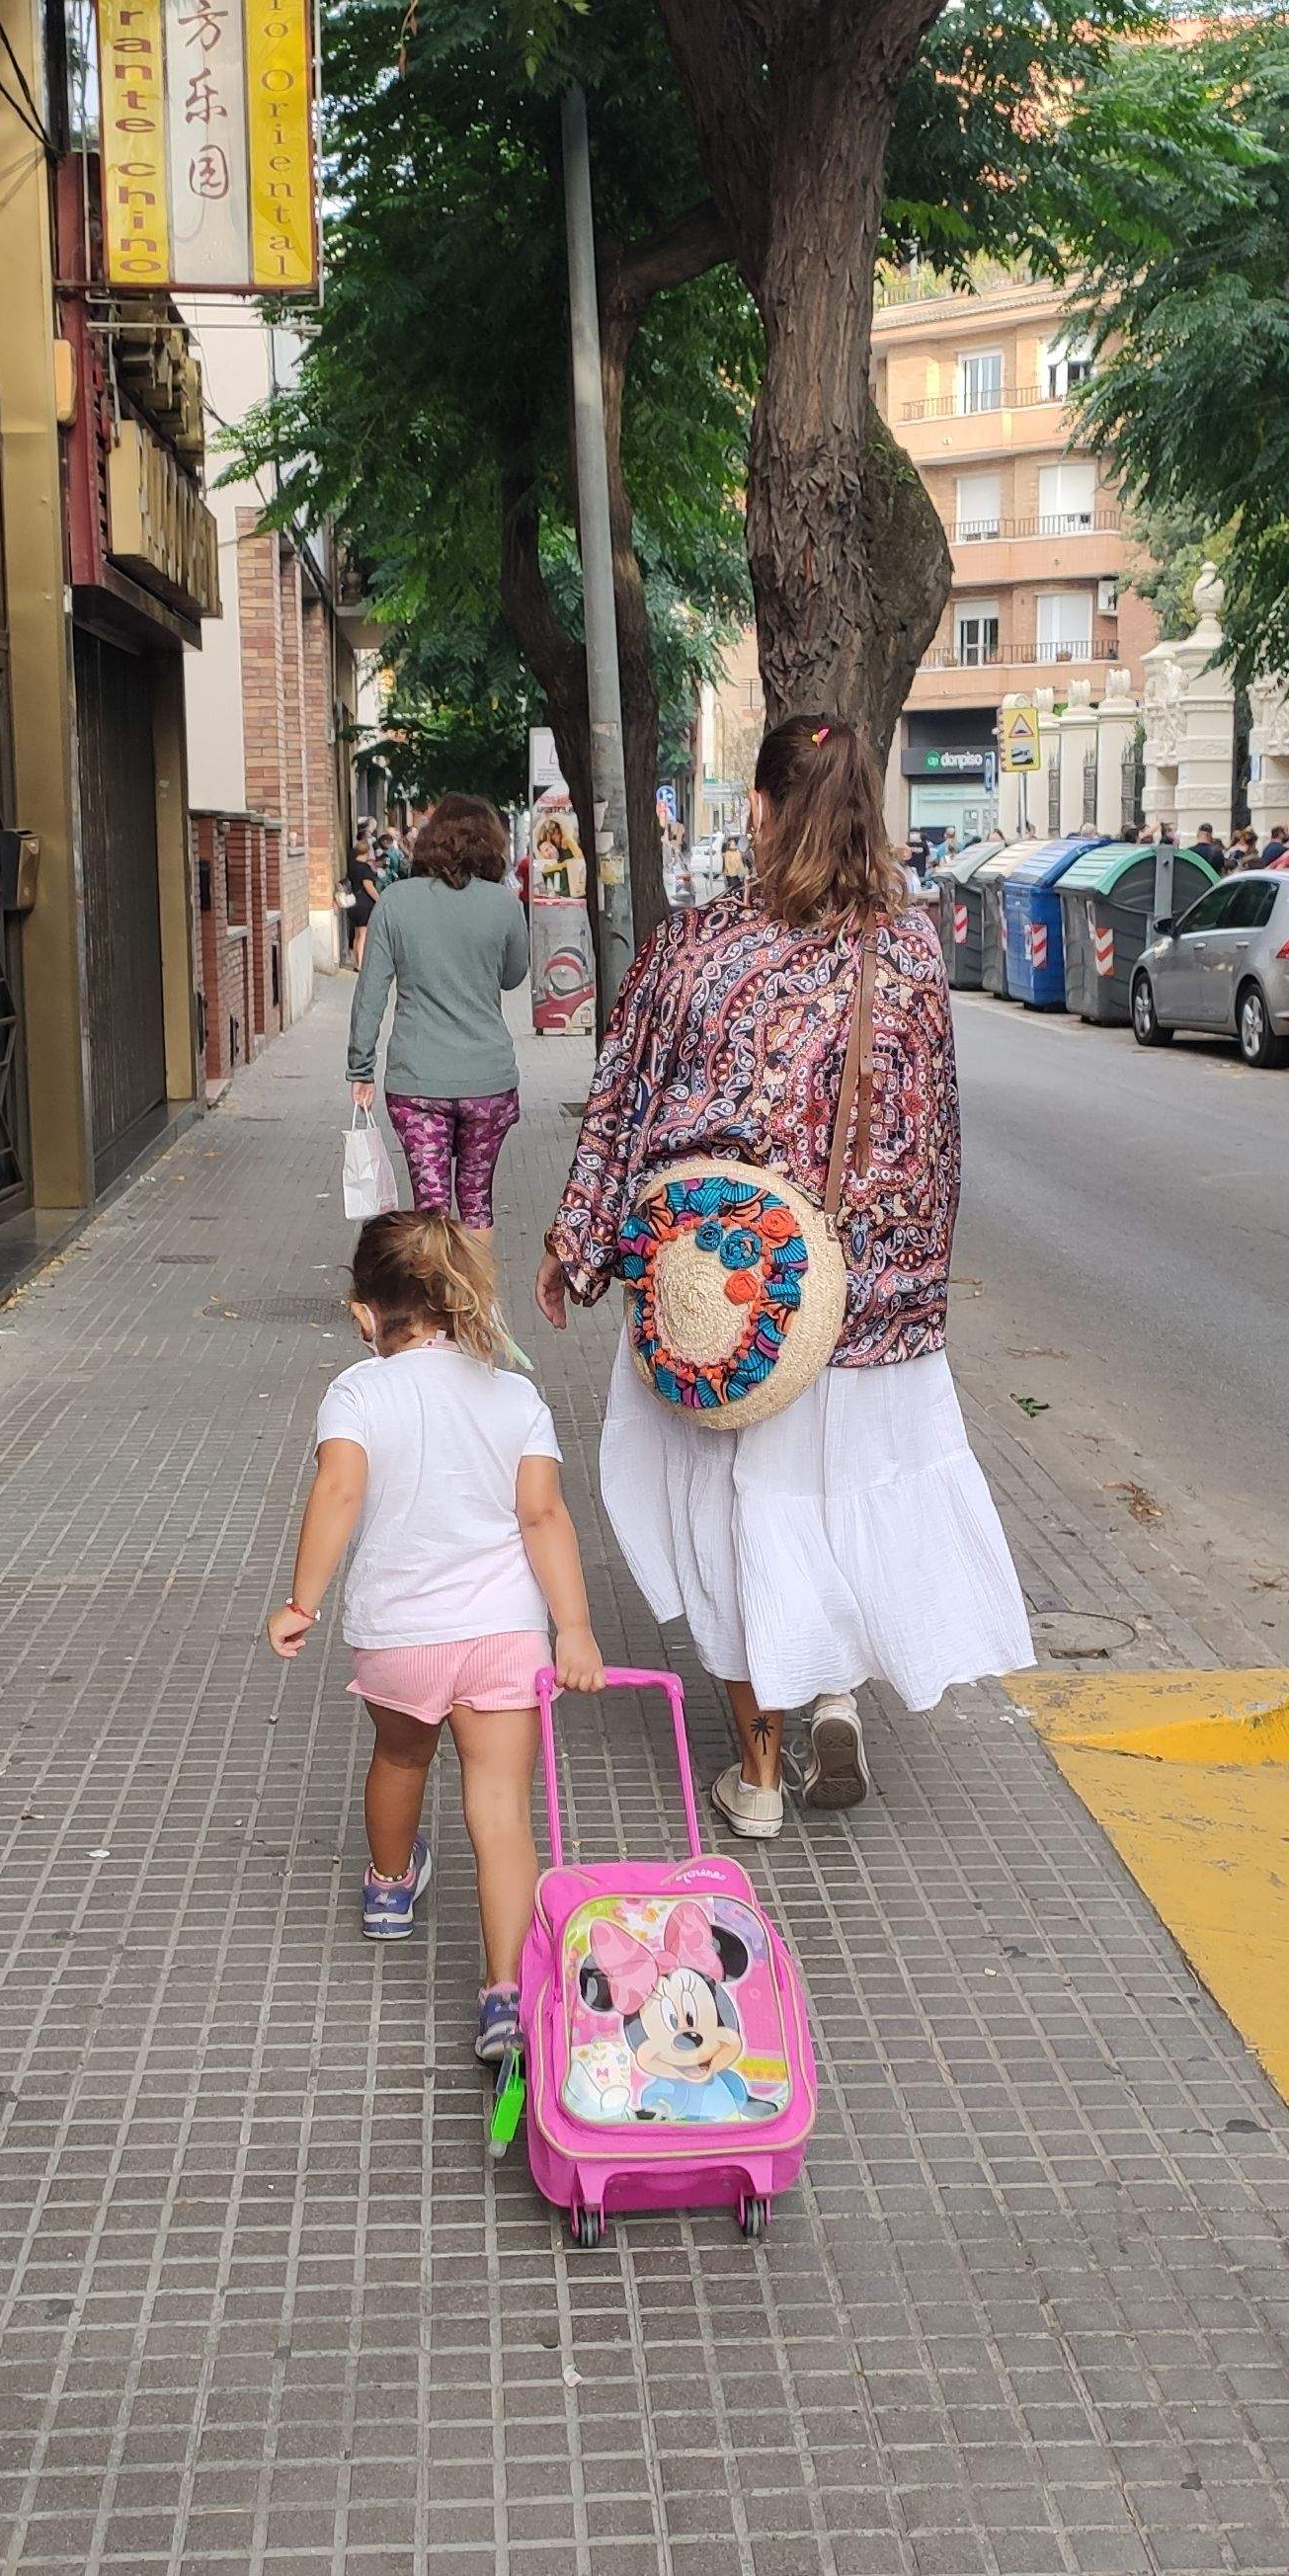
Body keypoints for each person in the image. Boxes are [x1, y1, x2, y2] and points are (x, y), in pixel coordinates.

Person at [538, 716, 1033, 1837]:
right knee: (829, 1503)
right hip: (864, 1306)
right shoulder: (906, 952)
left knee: (730, 1517)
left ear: (757, 810)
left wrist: (577, 1244)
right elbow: (932, 1141)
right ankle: (834, 1690)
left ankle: (757, 1772)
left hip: (727, 1295)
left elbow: (621, 1097)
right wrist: (906, 1299)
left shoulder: (695, 945)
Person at [266, 1210, 605, 2061]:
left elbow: (339, 1492)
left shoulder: (356, 1390)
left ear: (363, 1314)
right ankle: (507, 1996)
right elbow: (543, 1514)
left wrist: (301, 1602)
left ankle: (388, 1890)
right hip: (505, 1634)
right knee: (500, 1811)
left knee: (401, 1759)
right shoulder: (515, 1394)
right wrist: (576, 1629)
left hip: (401, 1636)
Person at [347, 793, 533, 1229]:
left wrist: (360, 1068)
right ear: (491, 844)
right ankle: (480, 1298)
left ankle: (436, 1297)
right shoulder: (504, 904)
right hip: (488, 1078)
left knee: (430, 1207)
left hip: (416, 1081)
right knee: (477, 1201)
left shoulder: (395, 901)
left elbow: (370, 991)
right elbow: (513, 976)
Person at [340, 834, 382, 975]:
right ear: (366, 852)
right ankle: (361, 964)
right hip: (364, 904)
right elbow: (368, 886)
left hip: (354, 902)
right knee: (363, 934)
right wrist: (380, 900)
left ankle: (356, 961)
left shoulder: (351, 865)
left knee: (357, 933)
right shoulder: (365, 868)